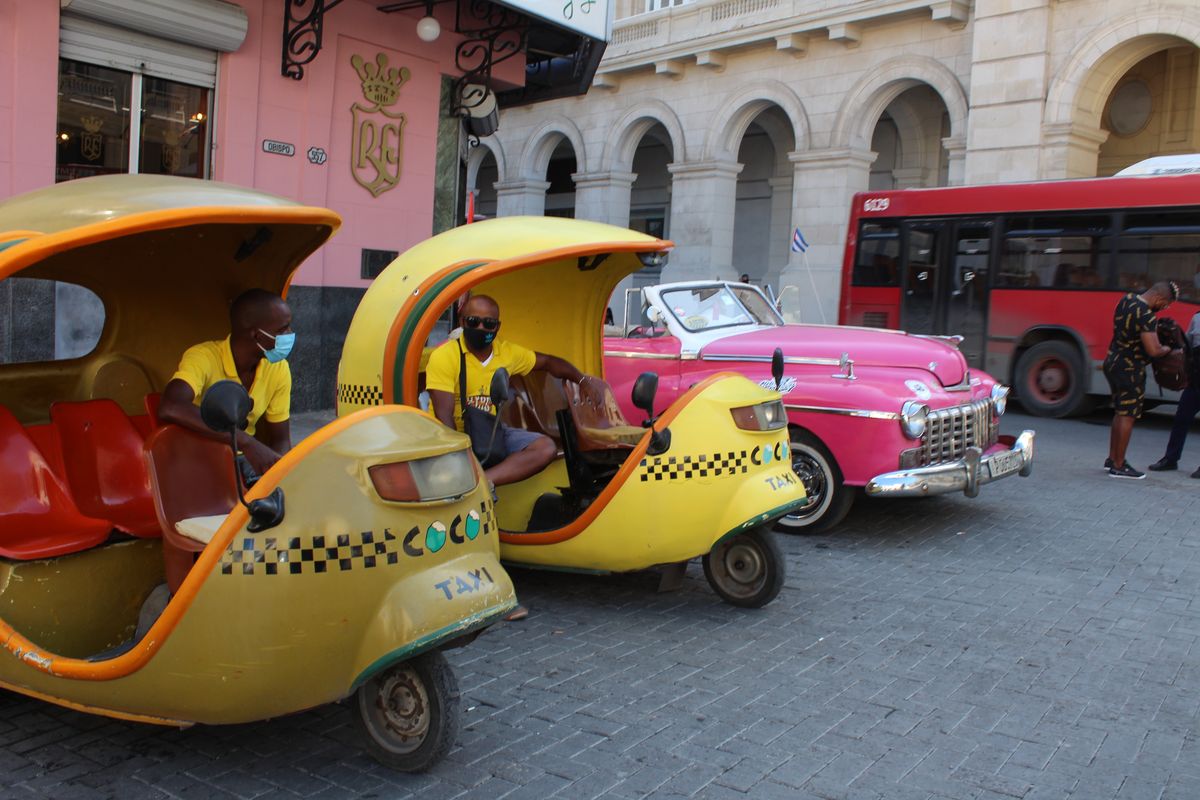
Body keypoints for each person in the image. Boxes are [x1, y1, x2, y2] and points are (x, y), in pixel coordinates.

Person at [425, 294, 603, 488]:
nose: (480, 328)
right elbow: (445, 418)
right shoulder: (445, 357)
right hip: (453, 437)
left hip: (489, 431)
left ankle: (481, 482)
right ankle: (473, 478)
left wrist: (583, 381)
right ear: (462, 321)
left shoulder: (507, 353)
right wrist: (460, 461)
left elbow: (549, 362)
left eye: (488, 324)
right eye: (473, 321)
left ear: (497, 327)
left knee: (545, 448)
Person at [158, 288, 294, 475]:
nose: (290, 334)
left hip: (242, 464)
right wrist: (246, 442)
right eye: (283, 329)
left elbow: (281, 440)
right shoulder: (203, 357)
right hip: (196, 461)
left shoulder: (278, 368)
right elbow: (171, 406)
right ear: (257, 336)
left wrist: (277, 473)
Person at [1103, 281, 1180, 479]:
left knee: (1120, 412)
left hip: (1113, 361)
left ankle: (1112, 458)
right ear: (1159, 298)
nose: (1162, 309)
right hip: (1130, 368)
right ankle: (1119, 465)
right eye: (1164, 305)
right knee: (1128, 415)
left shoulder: (1126, 299)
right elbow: (1153, 350)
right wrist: (1168, 349)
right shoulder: (1146, 314)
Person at [1148, 309, 1200, 477]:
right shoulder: (1197, 317)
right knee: (1181, 419)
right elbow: (1188, 346)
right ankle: (1170, 459)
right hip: (1196, 381)